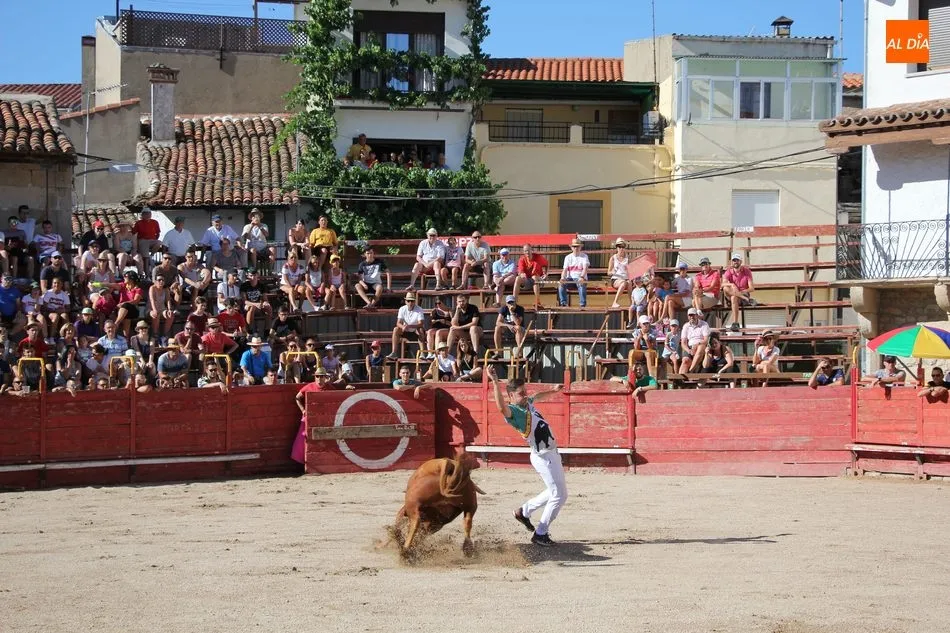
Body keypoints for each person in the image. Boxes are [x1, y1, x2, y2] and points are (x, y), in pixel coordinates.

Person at [487, 365, 565, 547]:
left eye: (525, 392)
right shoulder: (514, 412)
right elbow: (501, 407)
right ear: (511, 396)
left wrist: (553, 391)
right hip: (544, 456)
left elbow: (537, 397)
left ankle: (524, 511)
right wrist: (495, 382)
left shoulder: (526, 403)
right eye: (521, 393)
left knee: (555, 492)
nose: (525, 395)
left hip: (551, 453)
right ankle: (540, 534)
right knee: (559, 495)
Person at [722, 253, 756, 331]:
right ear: (732, 262)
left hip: (741, 293)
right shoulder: (728, 271)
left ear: (741, 261)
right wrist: (732, 284)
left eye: (737, 260)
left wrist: (742, 291)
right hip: (734, 295)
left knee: (734, 297)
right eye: (734, 260)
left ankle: (735, 323)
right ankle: (747, 299)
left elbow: (751, 288)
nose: (735, 262)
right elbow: (723, 284)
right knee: (725, 288)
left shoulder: (747, 271)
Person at [387, 293, 425, 360]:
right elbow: (398, 323)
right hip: (405, 331)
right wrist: (403, 327)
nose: (410, 303)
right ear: (405, 301)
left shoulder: (419, 309)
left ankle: (422, 353)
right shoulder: (402, 309)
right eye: (408, 301)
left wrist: (410, 326)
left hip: (415, 331)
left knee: (420, 329)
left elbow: (421, 324)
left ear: (414, 301)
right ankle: (394, 353)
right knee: (396, 329)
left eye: (412, 301)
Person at [557, 238, 590, 308]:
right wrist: (562, 278)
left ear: (580, 247)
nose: (576, 248)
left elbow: (585, 268)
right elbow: (565, 270)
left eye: (577, 246)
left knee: (581, 284)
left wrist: (582, 277)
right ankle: (563, 304)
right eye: (574, 246)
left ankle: (582, 305)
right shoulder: (568, 257)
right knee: (561, 284)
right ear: (571, 247)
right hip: (570, 279)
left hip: (580, 278)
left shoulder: (584, 256)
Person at [515, 244, 548, 308]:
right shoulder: (522, 259)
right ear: (523, 252)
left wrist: (546, 274)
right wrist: (522, 274)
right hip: (528, 280)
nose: (527, 252)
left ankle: (538, 302)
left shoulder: (538, 257)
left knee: (534, 277)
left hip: (539, 280)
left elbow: (546, 264)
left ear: (531, 250)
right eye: (525, 251)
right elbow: (520, 270)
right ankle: (514, 301)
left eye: (528, 250)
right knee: (517, 278)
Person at [678, 307, 710, 373]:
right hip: (690, 347)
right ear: (688, 317)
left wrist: (697, 345)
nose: (692, 317)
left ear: (697, 315)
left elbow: (706, 340)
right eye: (690, 315)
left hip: (701, 345)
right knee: (685, 361)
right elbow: (683, 343)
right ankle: (679, 378)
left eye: (693, 315)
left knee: (701, 347)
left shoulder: (704, 324)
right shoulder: (686, 326)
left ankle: (691, 371)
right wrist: (689, 350)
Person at [608, 238, 631, 308]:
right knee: (624, 283)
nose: (621, 248)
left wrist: (628, 270)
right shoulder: (613, 258)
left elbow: (631, 271)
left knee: (629, 283)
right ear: (616, 248)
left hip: (625, 278)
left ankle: (631, 303)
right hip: (616, 279)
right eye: (619, 246)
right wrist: (612, 272)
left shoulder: (628, 258)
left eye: (622, 246)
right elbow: (608, 272)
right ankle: (615, 302)